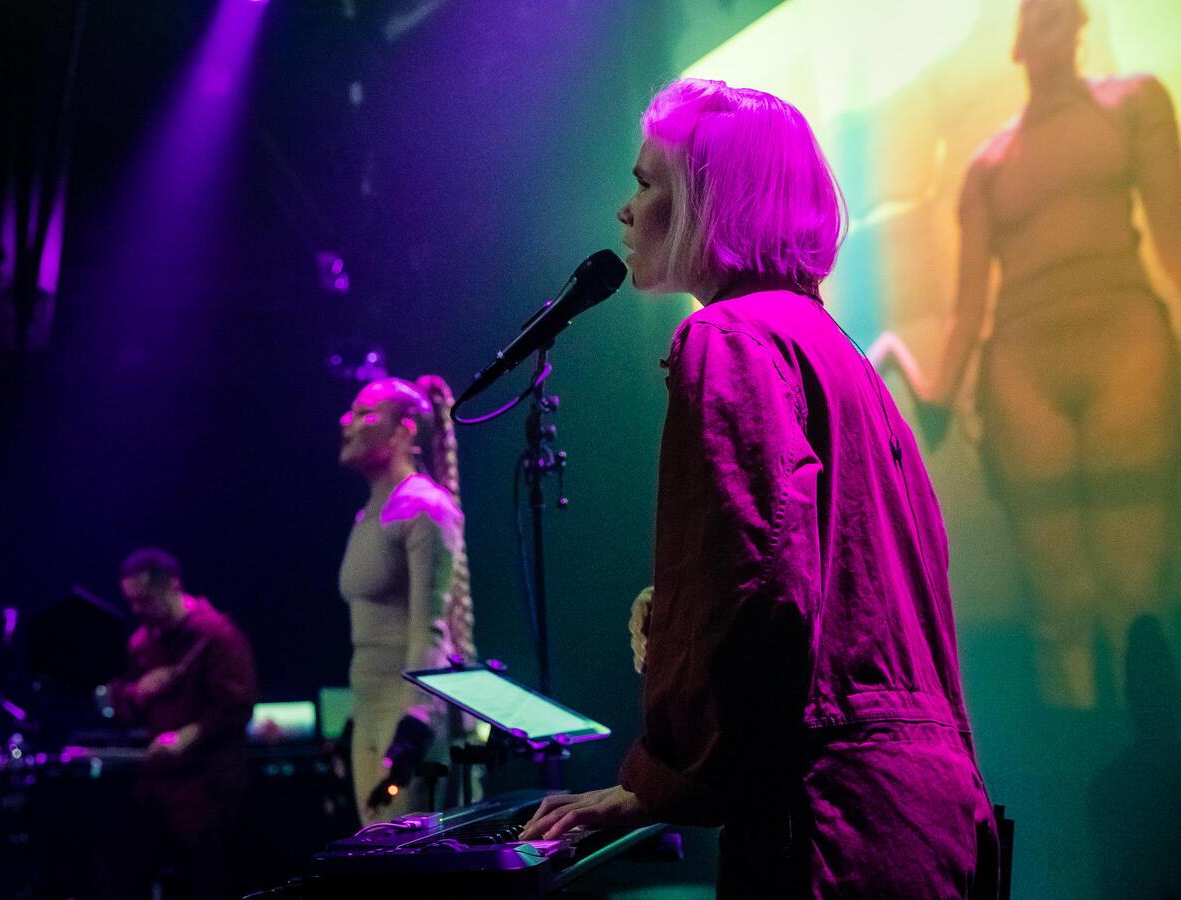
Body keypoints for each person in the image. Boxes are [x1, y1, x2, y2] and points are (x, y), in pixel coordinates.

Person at [520, 79, 1000, 898]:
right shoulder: (839, 356)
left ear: (711, 200)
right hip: (931, 812)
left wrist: (656, 783)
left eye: (647, 182)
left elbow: (760, 583)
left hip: (834, 825)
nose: (624, 211)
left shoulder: (727, 336)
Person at [912, 0, 1181, 710]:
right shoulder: (987, 166)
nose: (1047, 18)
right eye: (1034, 12)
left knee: (1136, 585)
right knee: (1055, 595)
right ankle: (1081, 767)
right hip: (1022, 369)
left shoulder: (1136, 103)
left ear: (1083, 24)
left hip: (1126, 343)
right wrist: (936, 394)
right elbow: (970, 311)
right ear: (1016, 43)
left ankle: (1148, 766)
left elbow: (1175, 245)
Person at [337, 375, 476, 826]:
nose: (347, 422)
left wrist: (414, 724)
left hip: (407, 721)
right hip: (369, 712)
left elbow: (430, 627)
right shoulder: (369, 513)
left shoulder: (425, 507)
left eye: (363, 412)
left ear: (403, 432)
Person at [94, 547, 258, 900]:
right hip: (157, 781)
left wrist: (188, 735)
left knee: (202, 879)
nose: (137, 611)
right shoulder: (143, 642)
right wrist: (140, 690)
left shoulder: (217, 636)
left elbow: (236, 706)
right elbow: (119, 700)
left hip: (206, 784)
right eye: (132, 602)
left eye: (145, 600)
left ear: (172, 586)